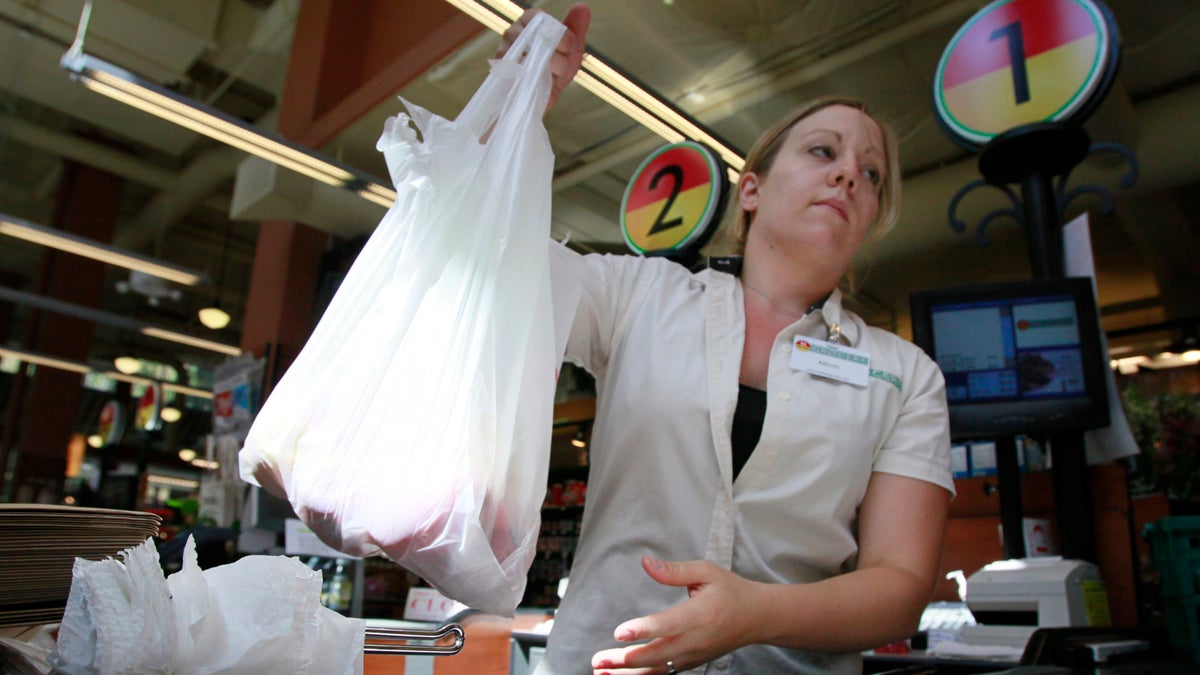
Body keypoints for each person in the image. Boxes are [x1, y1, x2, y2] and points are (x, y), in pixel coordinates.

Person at [500, 6, 955, 674]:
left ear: (869, 220)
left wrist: (755, 615)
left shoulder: (905, 375)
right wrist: (510, 107)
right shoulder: (640, 297)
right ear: (751, 188)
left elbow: (899, 587)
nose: (850, 174)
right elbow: (486, 265)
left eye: (872, 172)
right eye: (823, 151)